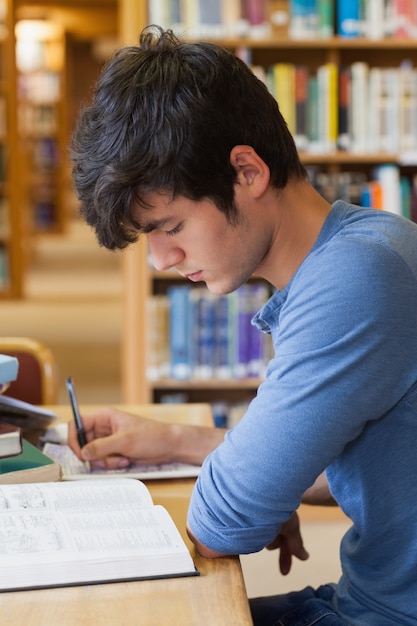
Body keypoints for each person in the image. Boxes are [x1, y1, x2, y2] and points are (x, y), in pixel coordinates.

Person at [69, 25, 417, 625]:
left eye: (171, 227)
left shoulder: (355, 281)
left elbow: (223, 523)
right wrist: (178, 443)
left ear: (248, 172)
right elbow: (362, 472)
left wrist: (252, 489)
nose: (161, 260)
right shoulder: (367, 245)